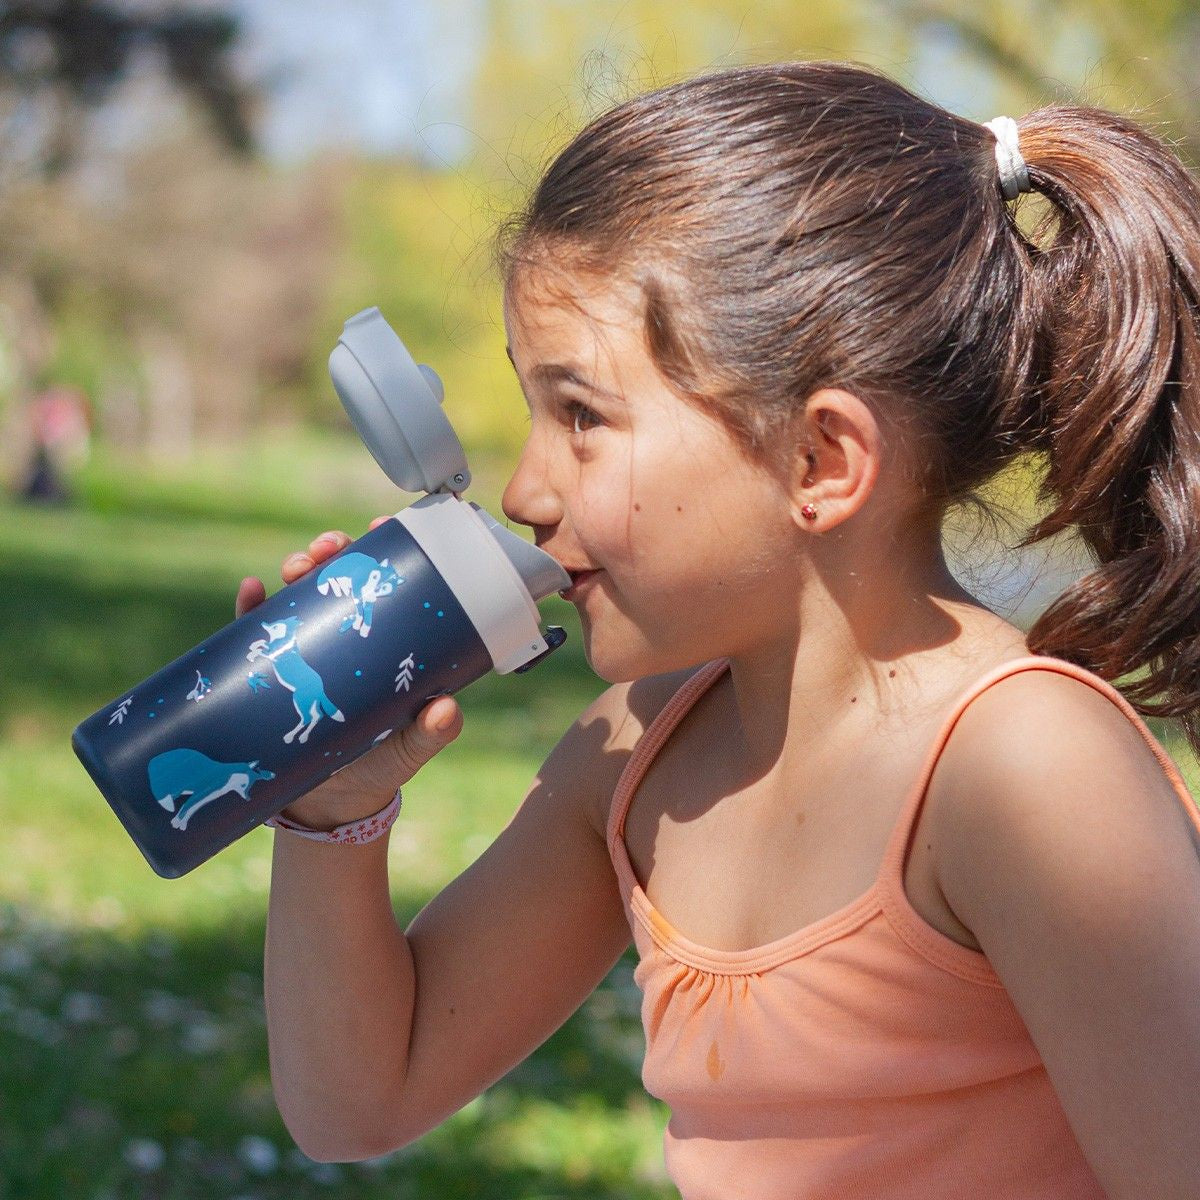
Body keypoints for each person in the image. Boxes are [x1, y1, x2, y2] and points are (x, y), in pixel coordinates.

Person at [237, 61, 1200, 1198]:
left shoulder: (1021, 770)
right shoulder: (643, 753)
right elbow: (360, 1097)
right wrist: (332, 812)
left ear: (820, 461)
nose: (524, 491)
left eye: (580, 416)